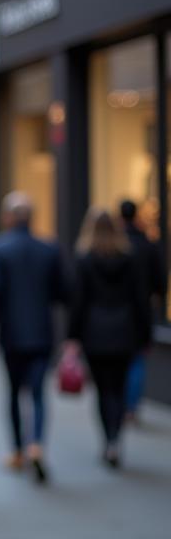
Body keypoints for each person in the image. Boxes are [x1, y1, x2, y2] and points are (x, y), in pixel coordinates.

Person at [0, 192, 68, 483]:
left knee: (13, 393)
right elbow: (62, 291)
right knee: (38, 393)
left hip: (11, 333)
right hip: (42, 332)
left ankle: (18, 450)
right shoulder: (49, 248)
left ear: (8, 217)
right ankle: (36, 445)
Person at [66, 208, 150, 468]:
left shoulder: (85, 259)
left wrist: (73, 337)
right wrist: (144, 335)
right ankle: (116, 438)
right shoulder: (129, 258)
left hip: (95, 333)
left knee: (103, 390)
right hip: (124, 331)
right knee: (119, 387)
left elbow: (78, 302)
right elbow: (140, 300)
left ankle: (109, 438)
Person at [119, 199, 167, 423]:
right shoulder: (146, 244)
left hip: (119, 314)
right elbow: (159, 281)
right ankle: (131, 407)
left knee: (122, 361)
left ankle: (123, 403)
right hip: (141, 312)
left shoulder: (116, 244)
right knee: (137, 360)